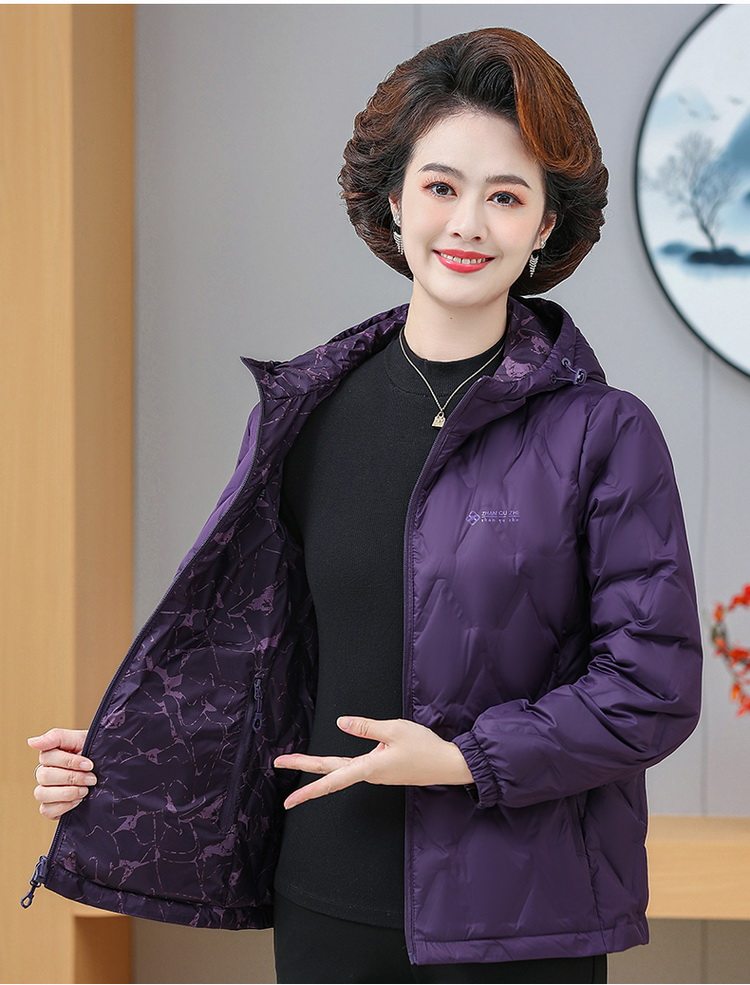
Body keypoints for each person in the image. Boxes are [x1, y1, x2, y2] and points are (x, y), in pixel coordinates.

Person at [25, 26, 703, 985]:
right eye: (441, 186)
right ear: (394, 199)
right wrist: (117, 764)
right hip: (326, 905)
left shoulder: (603, 432)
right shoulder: (310, 412)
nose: (468, 224)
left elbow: (652, 688)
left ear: (546, 225)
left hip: (522, 925)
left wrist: (463, 757)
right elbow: (264, 659)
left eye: (506, 196)